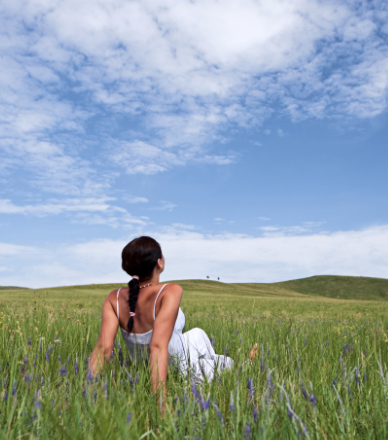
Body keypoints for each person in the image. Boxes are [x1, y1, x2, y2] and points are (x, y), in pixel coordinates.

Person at [90, 236, 233, 400]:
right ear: (160, 262)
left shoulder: (114, 298)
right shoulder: (170, 291)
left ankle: (212, 358)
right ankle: (245, 362)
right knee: (227, 364)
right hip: (178, 369)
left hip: (146, 367)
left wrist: (89, 392)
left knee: (197, 334)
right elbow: (157, 347)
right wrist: (161, 402)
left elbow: (103, 349)